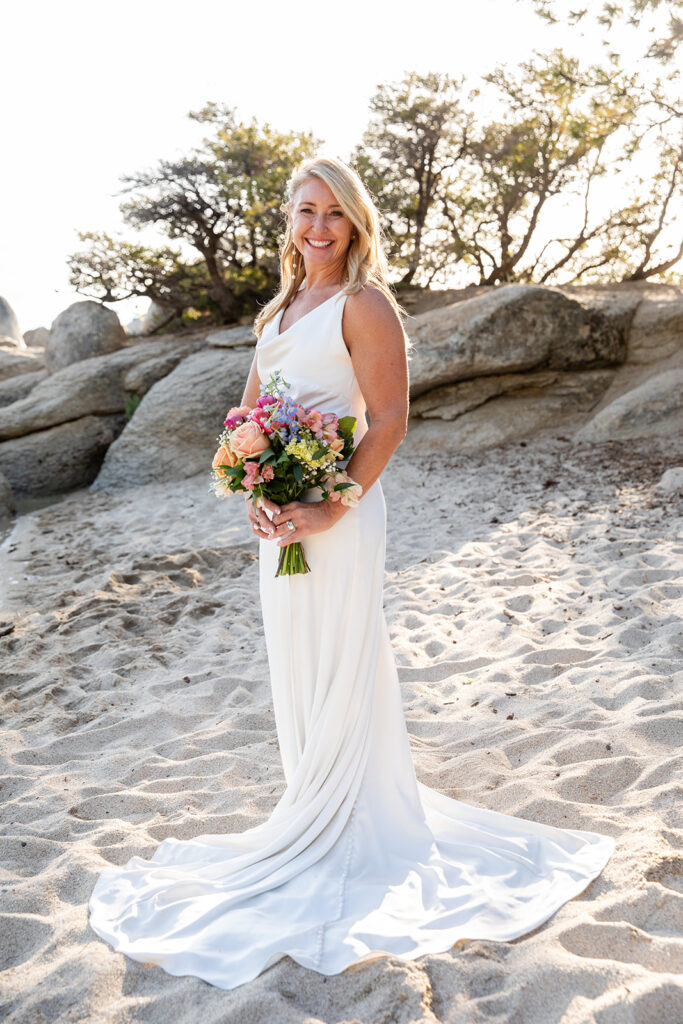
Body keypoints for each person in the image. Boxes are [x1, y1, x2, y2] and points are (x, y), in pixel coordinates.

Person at [88, 155, 615, 991]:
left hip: (339, 507)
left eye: (334, 213)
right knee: (297, 660)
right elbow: (250, 415)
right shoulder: (280, 307)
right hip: (282, 513)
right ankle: (312, 804)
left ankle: (350, 821)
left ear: (356, 223)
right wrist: (253, 492)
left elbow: (390, 418)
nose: (319, 227)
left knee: (341, 655)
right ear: (289, 222)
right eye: (305, 212)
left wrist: (329, 504)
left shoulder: (364, 304)